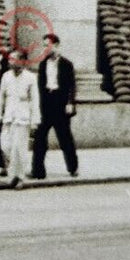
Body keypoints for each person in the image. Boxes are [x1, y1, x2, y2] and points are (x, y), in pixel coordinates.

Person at [30, 33, 79, 179]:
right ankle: (38, 171)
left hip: (60, 103)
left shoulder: (66, 64)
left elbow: (72, 86)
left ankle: (73, 167)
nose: (45, 48)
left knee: (65, 137)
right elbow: (39, 85)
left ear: (56, 45)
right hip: (46, 103)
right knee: (40, 138)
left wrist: (70, 102)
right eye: (44, 46)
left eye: (47, 45)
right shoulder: (43, 63)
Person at [0, 49, 40, 187]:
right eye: (9, 59)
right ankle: (13, 172)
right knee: (5, 145)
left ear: (21, 61)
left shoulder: (30, 77)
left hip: (22, 117)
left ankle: (18, 177)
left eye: (13, 59)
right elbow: (1, 97)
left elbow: (34, 100)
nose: (10, 62)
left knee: (19, 149)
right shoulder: (6, 76)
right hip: (8, 116)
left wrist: (35, 121)